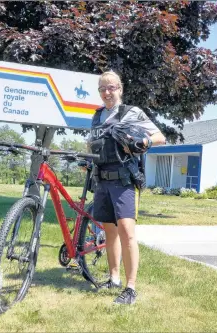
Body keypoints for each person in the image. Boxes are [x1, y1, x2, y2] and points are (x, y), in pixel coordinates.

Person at [88, 71, 166, 305]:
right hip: (102, 179)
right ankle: (114, 278)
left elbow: (160, 136)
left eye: (111, 87)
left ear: (120, 89)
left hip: (123, 180)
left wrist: (145, 142)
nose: (106, 92)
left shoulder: (131, 112)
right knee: (109, 232)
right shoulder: (97, 115)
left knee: (127, 232)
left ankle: (131, 288)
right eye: (102, 88)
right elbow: (92, 142)